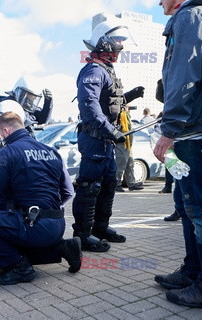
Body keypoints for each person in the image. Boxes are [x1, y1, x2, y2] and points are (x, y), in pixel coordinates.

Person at [0, 111, 80, 285]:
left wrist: (5, 218)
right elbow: (68, 192)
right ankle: (63, 248)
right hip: (57, 225)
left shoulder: (7, 153)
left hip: (35, 227)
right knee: (16, 226)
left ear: (5, 131)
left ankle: (18, 266)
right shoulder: (51, 151)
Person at [153, 0, 202, 308]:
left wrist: (169, 129)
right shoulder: (195, 16)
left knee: (200, 212)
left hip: (194, 133)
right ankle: (194, 271)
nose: (158, 1)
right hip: (196, 130)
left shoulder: (191, 16)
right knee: (191, 209)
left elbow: (185, 76)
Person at [73, 20, 145, 252]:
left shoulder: (106, 71)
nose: (121, 46)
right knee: (89, 187)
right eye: (118, 41)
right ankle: (82, 235)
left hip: (105, 142)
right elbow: (90, 108)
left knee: (108, 185)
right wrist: (111, 131)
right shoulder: (93, 71)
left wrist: (130, 96)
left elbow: (110, 103)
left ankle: (100, 228)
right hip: (95, 139)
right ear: (104, 43)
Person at [115, 107, 144, 192]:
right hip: (122, 144)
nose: (129, 108)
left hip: (128, 144)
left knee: (130, 164)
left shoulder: (126, 115)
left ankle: (131, 183)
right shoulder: (119, 115)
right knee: (121, 164)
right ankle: (117, 184)